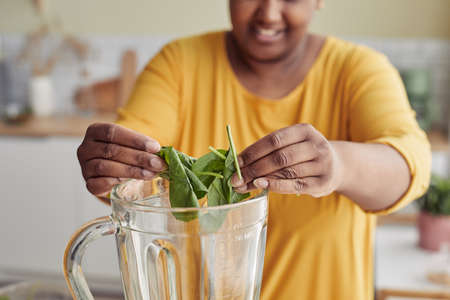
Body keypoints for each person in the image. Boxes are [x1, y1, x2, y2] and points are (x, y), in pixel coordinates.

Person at [76, 0, 431, 299]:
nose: (270, 14)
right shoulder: (178, 64)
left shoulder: (359, 70)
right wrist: (114, 167)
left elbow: (409, 166)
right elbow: (133, 176)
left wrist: (339, 165)